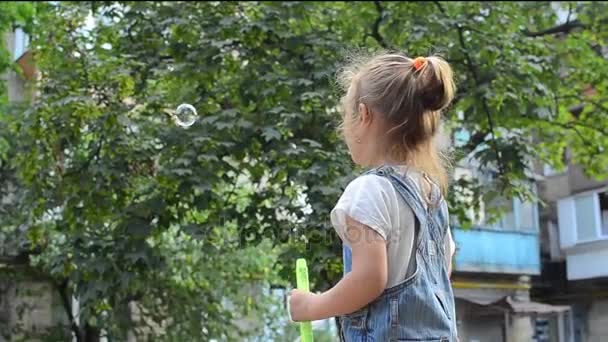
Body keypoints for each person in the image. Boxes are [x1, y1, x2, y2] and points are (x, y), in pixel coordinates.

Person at [288, 52, 458, 341]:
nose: (343, 128)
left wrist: (313, 306)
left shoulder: (368, 191)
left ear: (364, 115)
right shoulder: (432, 195)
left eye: (346, 116)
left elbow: (369, 279)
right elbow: (443, 270)